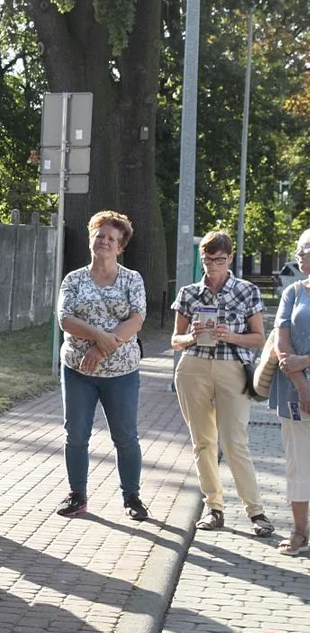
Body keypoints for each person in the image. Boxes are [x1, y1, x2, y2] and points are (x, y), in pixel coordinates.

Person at [171, 230, 274, 536]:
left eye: (218, 259)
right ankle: (214, 508)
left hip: (232, 368)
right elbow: (175, 340)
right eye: (207, 259)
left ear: (230, 258)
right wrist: (192, 335)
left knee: (234, 441)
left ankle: (255, 511)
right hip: (194, 367)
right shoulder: (189, 293)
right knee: (203, 442)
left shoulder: (246, 291)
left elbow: (258, 338)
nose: (212, 265)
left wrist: (231, 335)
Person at [55, 211, 150, 521]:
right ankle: (77, 495)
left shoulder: (131, 279)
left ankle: (132, 497)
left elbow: (136, 319)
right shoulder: (74, 279)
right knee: (76, 435)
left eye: (111, 238)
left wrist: (100, 349)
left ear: (120, 246)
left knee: (125, 436)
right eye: (99, 235)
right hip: (78, 370)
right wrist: (97, 338)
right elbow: (65, 319)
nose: (104, 241)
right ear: (90, 239)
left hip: (121, 373)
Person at [272, 229, 310, 555]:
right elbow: (281, 343)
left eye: (305, 249)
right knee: (297, 463)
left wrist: (306, 360)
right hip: (295, 390)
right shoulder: (293, 292)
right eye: (299, 248)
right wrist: (302, 386)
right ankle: (299, 532)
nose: (299, 254)